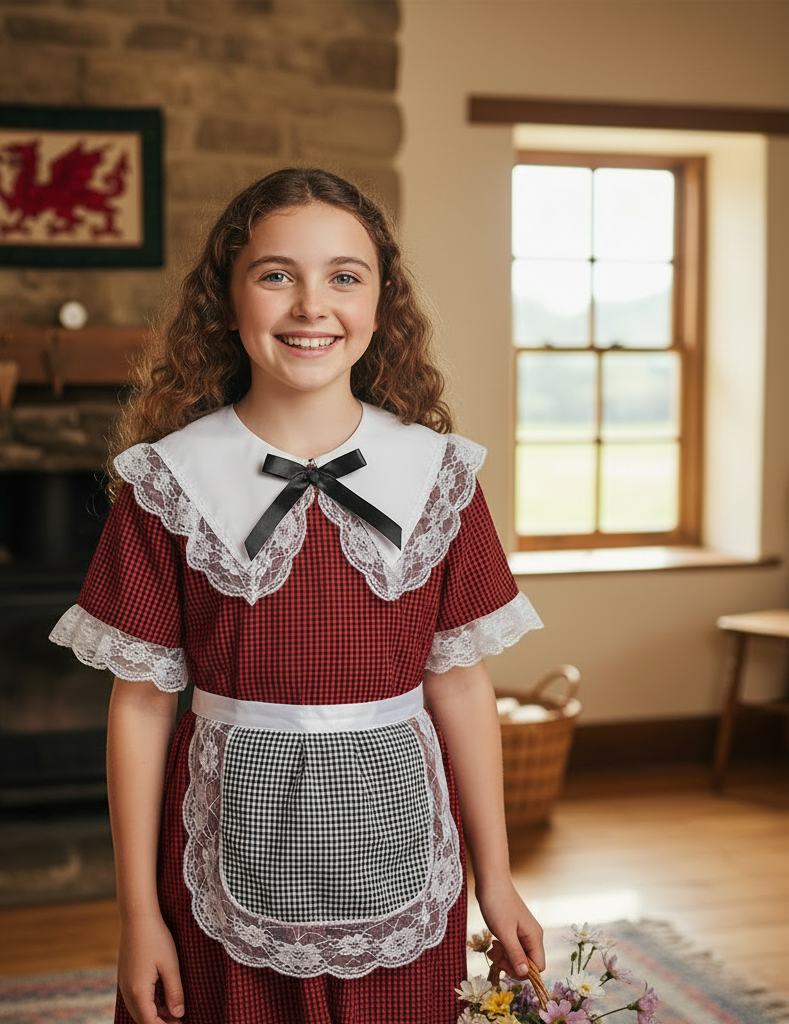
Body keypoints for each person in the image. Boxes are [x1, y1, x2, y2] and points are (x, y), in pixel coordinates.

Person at [50, 167, 546, 1024]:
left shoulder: (439, 476)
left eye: (343, 277)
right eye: (277, 274)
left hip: (405, 860)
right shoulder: (168, 482)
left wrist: (494, 879)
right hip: (220, 865)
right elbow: (138, 708)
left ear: (382, 305)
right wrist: (138, 916)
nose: (311, 306)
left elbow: (459, 682)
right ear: (227, 302)